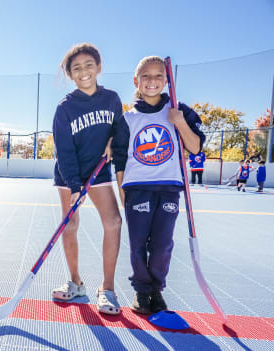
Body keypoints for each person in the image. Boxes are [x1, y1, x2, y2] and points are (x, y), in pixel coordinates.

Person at [112, 56, 206, 315]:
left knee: (163, 244)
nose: (152, 81)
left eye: (158, 76)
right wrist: (123, 195)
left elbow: (195, 147)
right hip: (137, 188)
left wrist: (180, 122)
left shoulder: (180, 110)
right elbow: (119, 162)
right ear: (136, 81)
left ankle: (156, 289)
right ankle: (142, 291)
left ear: (166, 81)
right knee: (138, 243)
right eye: (146, 76)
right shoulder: (126, 119)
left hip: (168, 187)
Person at [51, 43, 123, 315]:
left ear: (99, 67)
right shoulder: (65, 108)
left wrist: (114, 142)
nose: (83, 72)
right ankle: (76, 282)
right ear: (70, 74)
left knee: (114, 222)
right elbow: (64, 149)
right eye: (76, 68)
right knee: (70, 225)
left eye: (88, 65)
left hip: (100, 169)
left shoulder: (112, 99)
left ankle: (107, 290)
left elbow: (119, 128)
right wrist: (74, 185)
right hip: (70, 173)